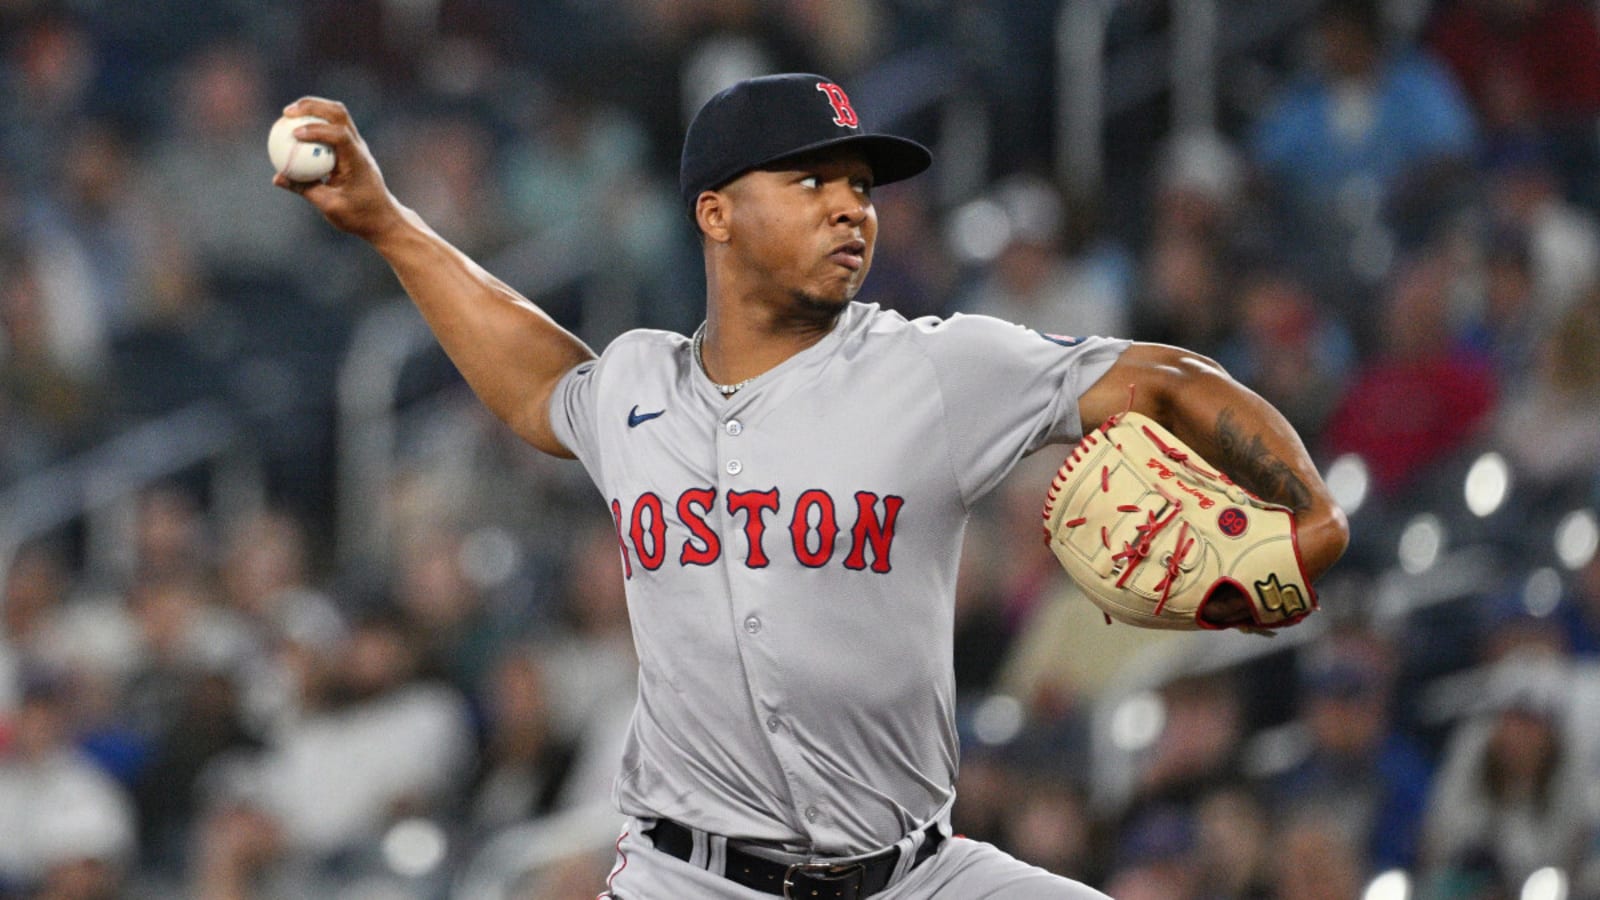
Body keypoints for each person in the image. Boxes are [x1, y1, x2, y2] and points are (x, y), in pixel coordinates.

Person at [276, 72, 1349, 899]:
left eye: (860, 187)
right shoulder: (638, 385)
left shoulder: (934, 368)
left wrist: (1308, 510)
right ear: (715, 214)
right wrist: (388, 223)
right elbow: (538, 386)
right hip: (686, 877)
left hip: (915, 873)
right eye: (812, 181)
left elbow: (1164, 379)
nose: (852, 209)